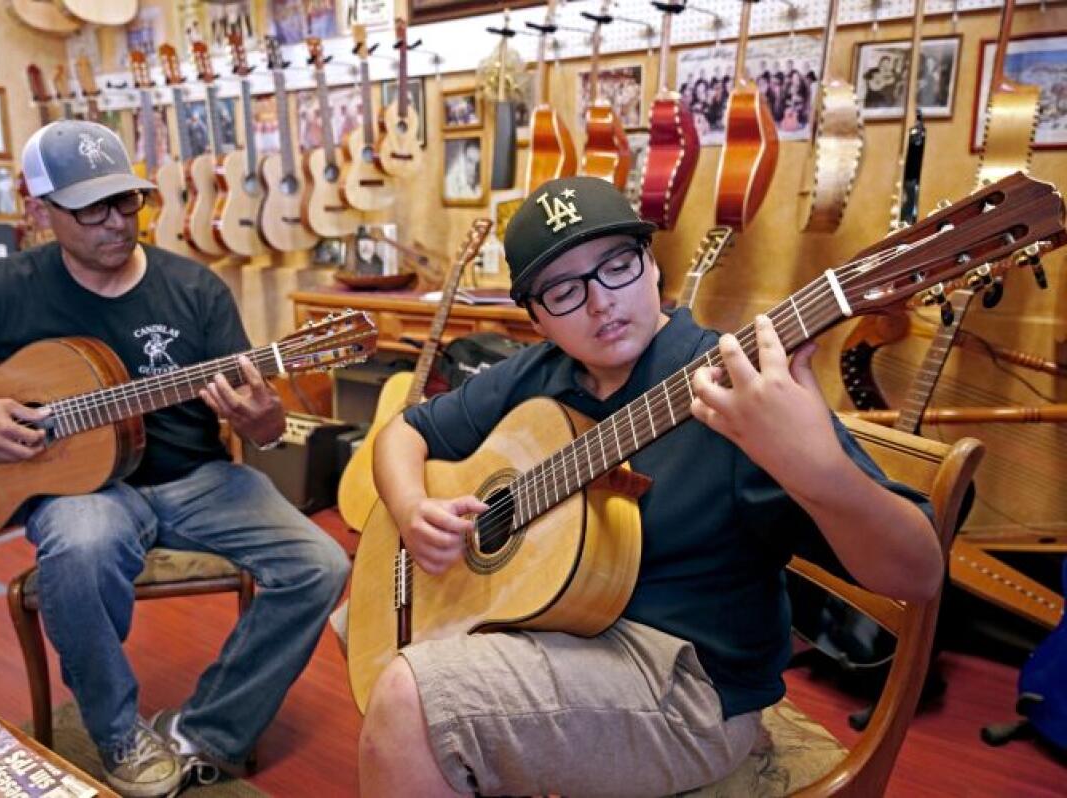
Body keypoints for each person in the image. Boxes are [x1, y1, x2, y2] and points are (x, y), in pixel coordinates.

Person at [357, 176, 943, 796]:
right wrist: (413, 506)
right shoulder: (533, 376)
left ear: (652, 262)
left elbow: (918, 573)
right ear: (534, 317)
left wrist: (820, 470)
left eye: (617, 265)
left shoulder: (734, 387)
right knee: (366, 627)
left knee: (407, 698)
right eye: (562, 289)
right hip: (554, 634)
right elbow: (403, 431)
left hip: (690, 690)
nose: (600, 301)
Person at [0, 121, 349, 798]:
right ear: (42, 211)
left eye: (128, 201)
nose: (117, 224)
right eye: (93, 208)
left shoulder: (194, 289)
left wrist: (264, 422)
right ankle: (116, 734)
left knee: (321, 563)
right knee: (82, 545)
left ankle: (206, 733)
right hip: (83, 492)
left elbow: (260, 422)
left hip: (198, 479)